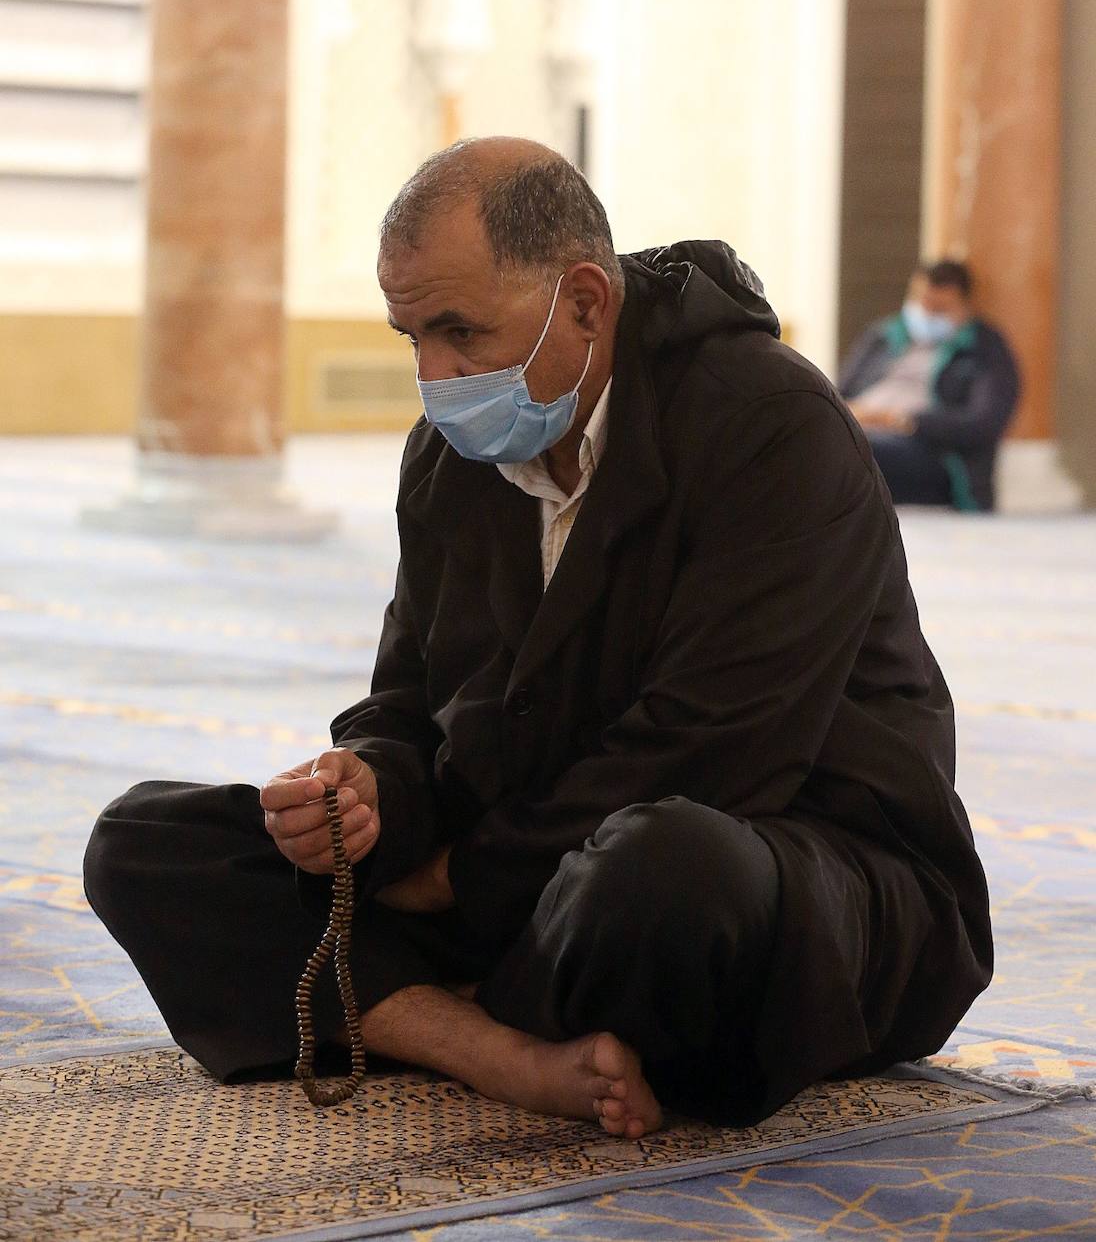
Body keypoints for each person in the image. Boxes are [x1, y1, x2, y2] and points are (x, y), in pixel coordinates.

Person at [84, 138, 992, 1138]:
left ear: (587, 303)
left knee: (666, 869)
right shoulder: (451, 459)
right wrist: (370, 792)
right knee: (147, 844)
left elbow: (715, 750)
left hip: (791, 871)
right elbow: (406, 702)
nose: (434, 374)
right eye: (410, 337)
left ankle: (429, 1001)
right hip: (522, 874)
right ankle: (501, 1049)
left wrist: (460, 885)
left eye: (459, 331)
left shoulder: (771, 426)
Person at [839, 261, 1020, 511]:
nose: (927, 313)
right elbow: (838, 394)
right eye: (921, 303)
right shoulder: (882, 336)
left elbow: (983, 424)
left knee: (851, 453)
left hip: (934, 455)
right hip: (858, 427)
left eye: (940, 308)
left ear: (966, 306)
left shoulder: (985, 349)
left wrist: (900, 420)